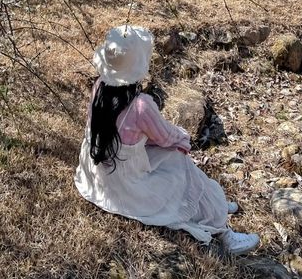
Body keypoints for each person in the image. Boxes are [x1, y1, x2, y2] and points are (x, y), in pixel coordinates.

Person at [74, 24, 261, 255]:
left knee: (173, 157)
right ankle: (222, 230)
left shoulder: (99, 88)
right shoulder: (141, 105)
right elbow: (165, 137)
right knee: (180, 163)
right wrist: (183, 139)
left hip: (99, 177)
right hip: (128, 187)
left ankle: (216, 205)